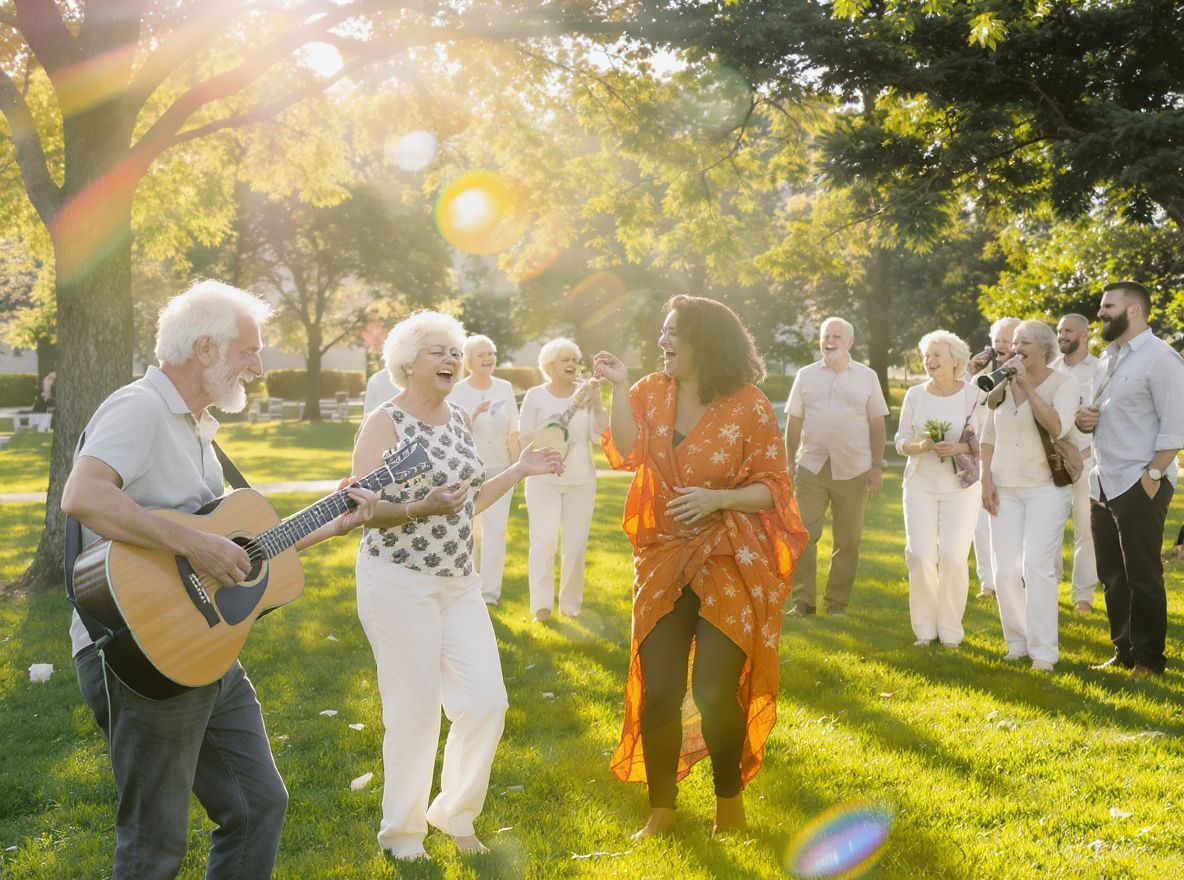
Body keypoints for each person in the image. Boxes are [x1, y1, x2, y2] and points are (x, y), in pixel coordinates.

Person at [60, 281, 379, 880]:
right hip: (141, 648)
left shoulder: (198, 428)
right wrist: (193, 542)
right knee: (154, 845)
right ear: (205, 349)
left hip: (204, 648)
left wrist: (330, 522)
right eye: (249, 350)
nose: (259, 365)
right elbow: (84, 496)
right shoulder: (140, 408)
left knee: (257, 806)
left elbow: (233, 550)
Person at [594, 295, 808, 839]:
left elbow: (774, 489)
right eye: (662, 332)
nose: (662, 342)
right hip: (663, 556)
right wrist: (618, 388)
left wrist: (718, 500)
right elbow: (624, 452)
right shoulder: (649, 391)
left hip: (728, 558)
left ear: (704, 342)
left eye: (672, 334)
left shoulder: (749, 405)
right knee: (661, 689)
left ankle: (728, 804)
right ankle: (661, 811)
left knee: (715, 690)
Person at [352, 311, 564, 860]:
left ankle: (452, 812)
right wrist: (420, 506)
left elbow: (467, 500)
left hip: (458, 580)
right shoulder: (385, 422)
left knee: (487, 701)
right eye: (438, 351)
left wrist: (518, 470)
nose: (451, 359)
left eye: (454, 351)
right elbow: (359, 509)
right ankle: (402, 835)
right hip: (398, 580)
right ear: (408, 362)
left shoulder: (457, 420)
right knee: (415, 711)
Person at [1076, 281, 1184, 677]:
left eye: (1108, 306)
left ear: (1134, 310)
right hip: (1103, 481)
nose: (1101, 312)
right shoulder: (1108, 358)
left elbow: (1177, 423)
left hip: (1140, 481)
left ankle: (1149, 661)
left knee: (1142, 575)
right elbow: (1103, 415)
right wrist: (1083, 419)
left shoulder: (1161, 359)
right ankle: (1123, 651)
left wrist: (1153, 475)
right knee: (1113, 576)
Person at [980, 320, 1079, 671]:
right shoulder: (1004, 381)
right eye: (1014, 343)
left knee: (1037, 567)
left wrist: (1024, 384)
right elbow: (988, 434)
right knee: (1005, 570)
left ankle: (1044, 653)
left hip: (1045, 489)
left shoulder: (1064, 383)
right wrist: (985, 481)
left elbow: (1057, 425)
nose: (1015, 348)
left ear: (1043, 349)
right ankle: (1018, 643)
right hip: (1004, 486)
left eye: (1023, 343)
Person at [784, 316, 889, 617]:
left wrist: (877, 467)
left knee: (848, 541)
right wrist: (788, 461)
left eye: (836, 336)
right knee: (803, 533)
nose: (829, 340)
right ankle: (803, 601)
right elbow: (794, 421)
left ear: (850, 343)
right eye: (825, 335)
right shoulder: (805, 375)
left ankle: (836, 605)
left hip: (854, 468)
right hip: (812, 466)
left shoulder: (867, 377)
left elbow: (877, 423)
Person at [895, 331, 983, 649]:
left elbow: (983, 439)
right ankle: (925, 631)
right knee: (920, 556)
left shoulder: (972, 396)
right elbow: (901, 440)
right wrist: (920, 445)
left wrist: (957, 446)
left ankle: (950, 633)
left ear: (955, 360)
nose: (930, 361)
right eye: (926, 356)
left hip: (960, 487)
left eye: (937, 355)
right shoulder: (915, 395)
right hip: (919, 484)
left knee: (953, 558)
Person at [519, 338, 608, 621]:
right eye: (565, 359)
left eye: (574, 359)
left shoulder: (586, 393)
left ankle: (570, 606)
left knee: (575, 545)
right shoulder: (535, 395)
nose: (571, 364)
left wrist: (597, 402)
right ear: (549, 365)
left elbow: (598, 436)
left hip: (581, 479)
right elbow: (524, 438)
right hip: (542, 478)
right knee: (543, 541)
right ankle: (541, 606)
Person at [448, 334, 521, 604]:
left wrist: (517, 466)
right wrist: (474, 415)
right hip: (467, 471)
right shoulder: (457, 391)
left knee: (495, 531)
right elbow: (452, 432)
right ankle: (468, 587)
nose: (488, 358)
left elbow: (514, 429)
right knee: (468, 531)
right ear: (468, 361)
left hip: (500, 466)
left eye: (491, 353)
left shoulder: (504, 387)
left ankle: (490, 593)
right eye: (482, 354)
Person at [966, 316, 1021, 600]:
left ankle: (1016, 577)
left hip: (1017, 459)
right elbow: (967, 413)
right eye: (997, 339)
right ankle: (988, 582)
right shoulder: (978, 380)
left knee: (1015, 523)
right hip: (983, 459)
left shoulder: (1026, 377)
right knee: (981, 522)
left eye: (1007, 339)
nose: (1000, 344)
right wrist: (970, 372)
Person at [1053, 313, 1103, 612]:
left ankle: (1082, 596)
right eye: (1059, 331)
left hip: (1088, 463)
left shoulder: (1099, 370)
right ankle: (1047, 582)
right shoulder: (1049, 370)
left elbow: (1105, 418)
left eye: (1068, 331)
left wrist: (1086, 453)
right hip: (1053, 463)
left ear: (1084, 335)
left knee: (1086, 530)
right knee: (1049, 528)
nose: (1061, 336)